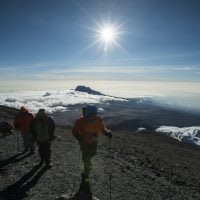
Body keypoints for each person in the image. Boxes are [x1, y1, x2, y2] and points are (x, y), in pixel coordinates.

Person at [72, 105, 112, 179]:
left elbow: (102, 129)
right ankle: (86, 173)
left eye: (94, 115)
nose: (93, 117)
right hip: (84, 142)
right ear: (87, 114)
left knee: (92, 154)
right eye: (92, 115)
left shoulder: (98, 119)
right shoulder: (80, 121)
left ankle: (88, 164)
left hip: (93, 142)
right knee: (86, 158)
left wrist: (107, 132)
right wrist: (80, 139)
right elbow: (74, 131)